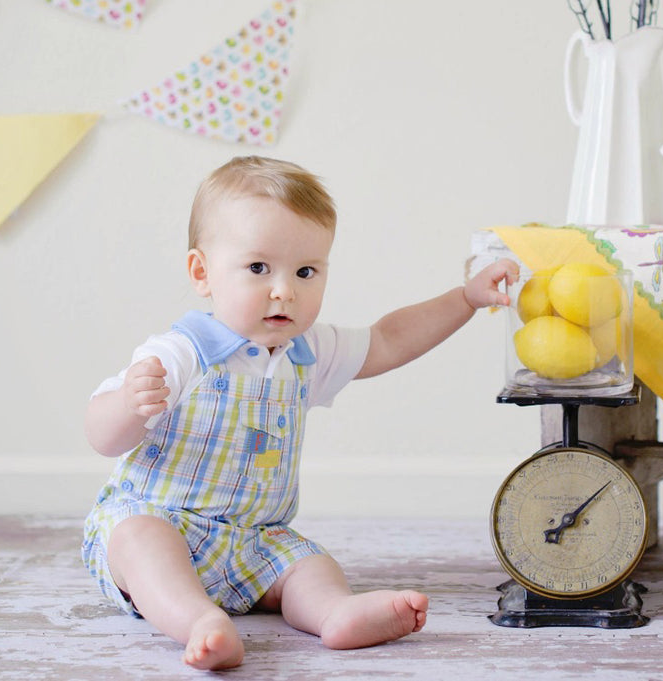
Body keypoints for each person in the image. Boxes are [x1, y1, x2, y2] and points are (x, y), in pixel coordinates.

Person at [82, 155, 517, 670]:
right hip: (163, 521)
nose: (284, 289)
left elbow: (389, 339)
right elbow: (101, 436)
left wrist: (465, 298)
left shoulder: (305, 351)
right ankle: (197, 620)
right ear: (203, 272)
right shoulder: (182, 353)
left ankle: (334, 613)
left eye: (306, 271)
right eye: (258, 268)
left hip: (253, 539)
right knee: (139, 541)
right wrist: (130, 407)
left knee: (306, 563)